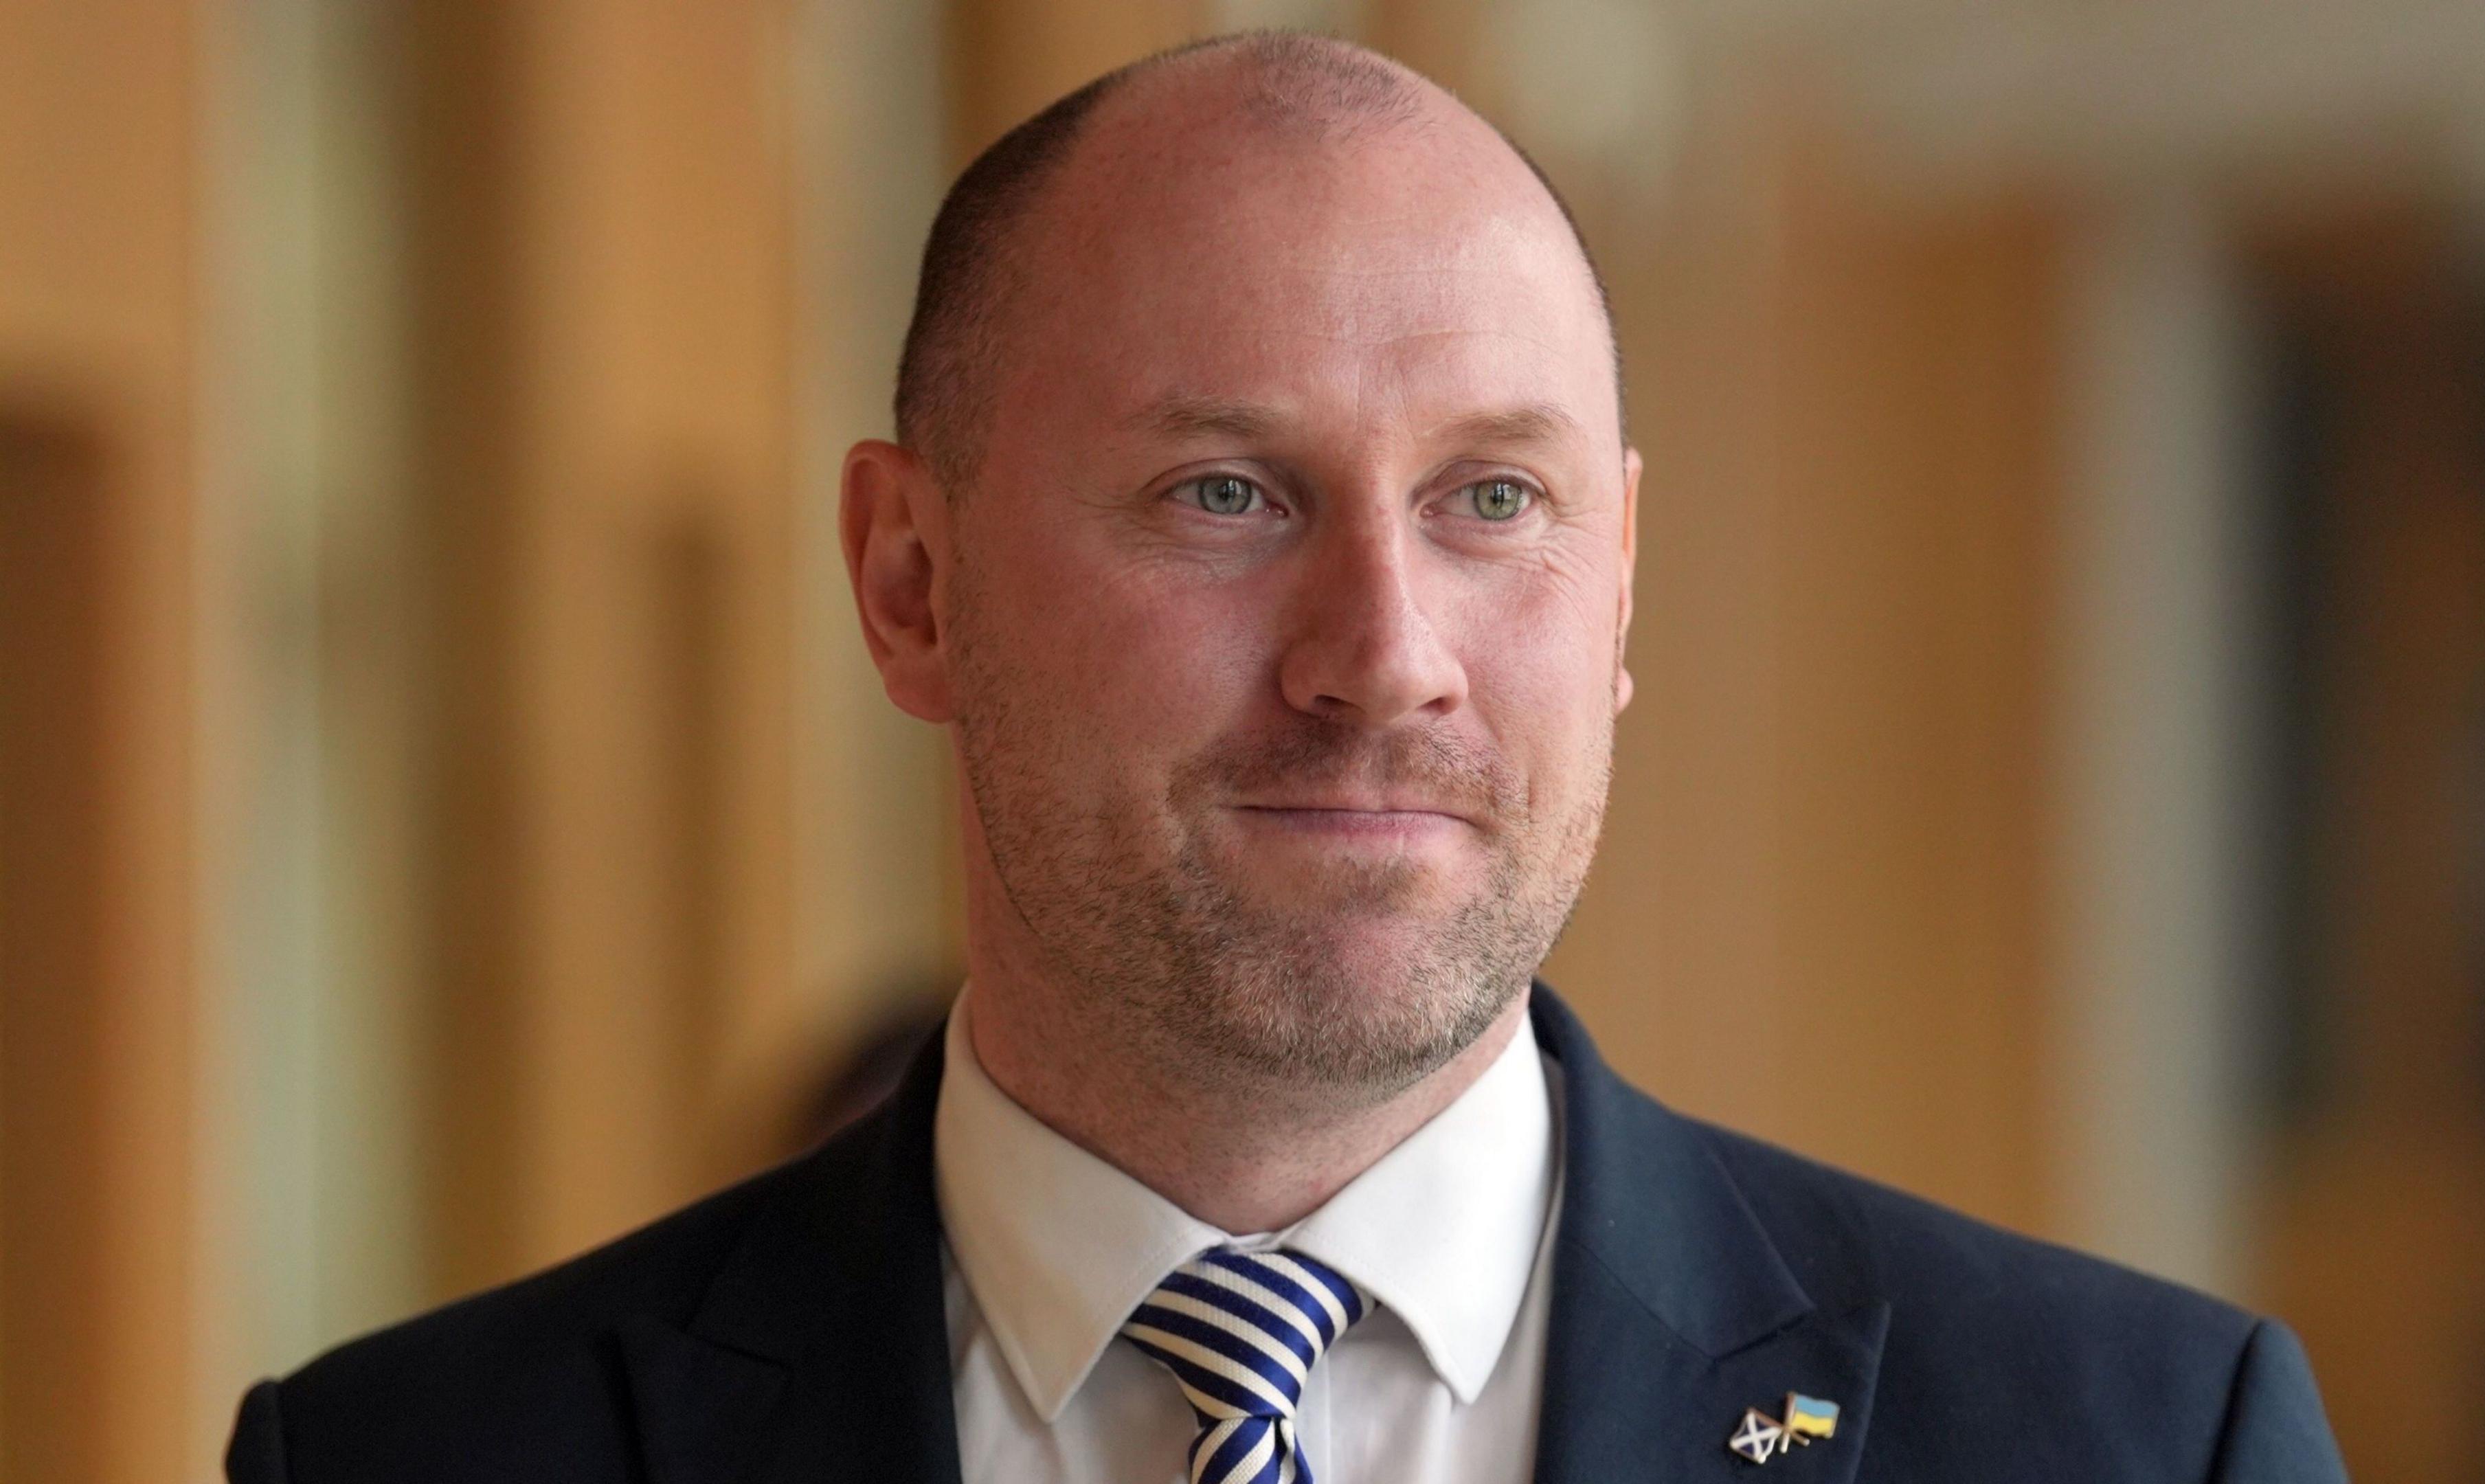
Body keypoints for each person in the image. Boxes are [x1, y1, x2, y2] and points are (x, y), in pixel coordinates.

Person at [225, 32, 2346, 1483]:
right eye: (1226, 494)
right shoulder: (419, 1458)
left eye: (1494, 502)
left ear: (1619, 595)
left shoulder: (2136, 1441)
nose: (1384, 657)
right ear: (909, 582)